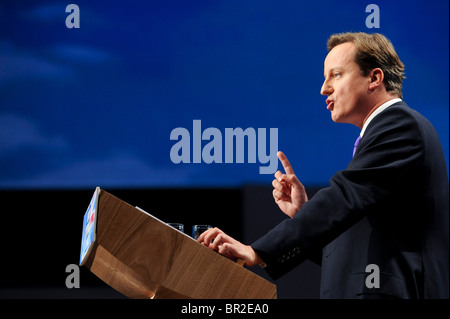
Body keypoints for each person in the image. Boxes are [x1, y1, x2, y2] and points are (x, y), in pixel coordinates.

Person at [197, 32, 449, 299]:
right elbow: (357, 242)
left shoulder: (400, 124)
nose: (324, 88)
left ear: (374, 78)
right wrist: (302, 213)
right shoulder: (385, 132)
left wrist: (258, 251)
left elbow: (345, 195)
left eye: (336, 75)